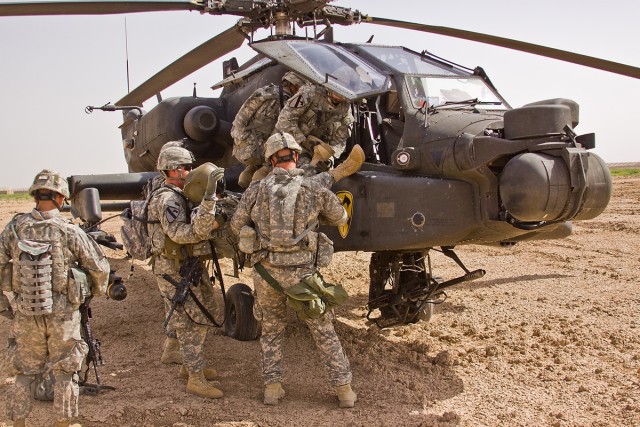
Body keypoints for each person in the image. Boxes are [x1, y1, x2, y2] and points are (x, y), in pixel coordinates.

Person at [230, 132, 362, 409]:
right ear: (296, 156)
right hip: (303, 277)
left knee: (272, 331)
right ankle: (344, 391)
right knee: (323, 331)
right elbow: (341, 217)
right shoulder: (314, 189)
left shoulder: (255, 191)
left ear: (270, 160)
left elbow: (236, 225)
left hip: (266, 273)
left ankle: (272, 389)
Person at [0, 169, 110, 427]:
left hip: (26, 312)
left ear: (36, 196)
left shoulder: (15, 228)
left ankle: (18, 423)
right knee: (65, 372)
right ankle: (64, 423)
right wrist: (90, 293)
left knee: (24, 373)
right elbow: (99, 267)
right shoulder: (68, 231)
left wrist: (4, 306)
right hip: (63, 314)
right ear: (61, 199)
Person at [147, 142, 226, 399]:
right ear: (170, 169)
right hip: (173, 268)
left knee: (208, 310)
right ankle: (195, 377)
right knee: (190, 321)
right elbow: (181, 234)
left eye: (190, 166)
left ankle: (189, 366)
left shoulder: (179, 195)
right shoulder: (168, 199)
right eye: (185, 167)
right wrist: (210, 219)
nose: (189, 171)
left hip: (187, 264)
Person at [231, 71, 308, 188]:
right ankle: (257, 181)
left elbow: (239, 120)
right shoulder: (288, 104)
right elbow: (284, 130)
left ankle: (247, 173)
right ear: (295, 86)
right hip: (255, 151)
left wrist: (240, 141)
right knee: (286, 149)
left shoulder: (264, 92)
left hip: (239, 147)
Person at [274, 83, 355, 172]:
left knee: (324, 174)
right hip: (293, 143)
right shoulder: (310, 92)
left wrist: (329, 157)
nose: (339, 95)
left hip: (318, 151)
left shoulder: (346, 110)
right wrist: (303, 141)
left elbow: (340, 140)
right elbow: (285, 119)